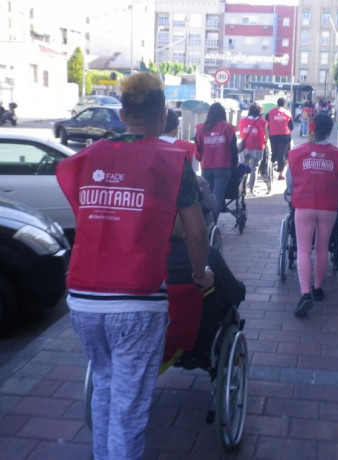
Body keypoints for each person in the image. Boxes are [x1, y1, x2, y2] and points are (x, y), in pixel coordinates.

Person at [56, 72, 214, 460]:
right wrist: (199, 275)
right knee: (129, 408)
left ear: (122, 113)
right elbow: (196, 234)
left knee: (106, 387)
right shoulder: (173, 161)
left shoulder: (85, 159)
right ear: (162, 115)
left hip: (82, 300)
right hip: (136, 299)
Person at [285, 114, 338, 317]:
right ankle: (318, 287)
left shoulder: (296, 154)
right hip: (328, 206)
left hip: (303, 204)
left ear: (310, 129)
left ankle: (305, 294)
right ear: (329, 131)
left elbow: (289, 183)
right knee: (322, 247)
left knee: (303, 250)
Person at [195, 102, 238, 222]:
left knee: (206, 198)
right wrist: (235, 163)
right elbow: (233, 149)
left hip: (206, 166)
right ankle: (211, 223)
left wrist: (201, 159)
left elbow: (197, 149)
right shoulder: (228, 128)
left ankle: (205, 221)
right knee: (218, 197)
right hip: (223, 167)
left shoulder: (200, 129)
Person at [237, 102, 269, 196]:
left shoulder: (242, 121)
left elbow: (241, 134)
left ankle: (242, 189)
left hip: (245, 147)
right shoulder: (263, 122)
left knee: (244, 168)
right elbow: (267, 135)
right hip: (258, 147)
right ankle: (251, 190)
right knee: (253, 168)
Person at [265, 97, 293, 180]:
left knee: (273, 153)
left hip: (273, 136)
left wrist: (268, 134)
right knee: (281, 155)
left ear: (277, 104)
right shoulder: (287, 113)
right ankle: (281, 174)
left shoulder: (270, 112)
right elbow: (291, 127)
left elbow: (266, 124)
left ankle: (269, 171)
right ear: (284, 104)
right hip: (285, 136)